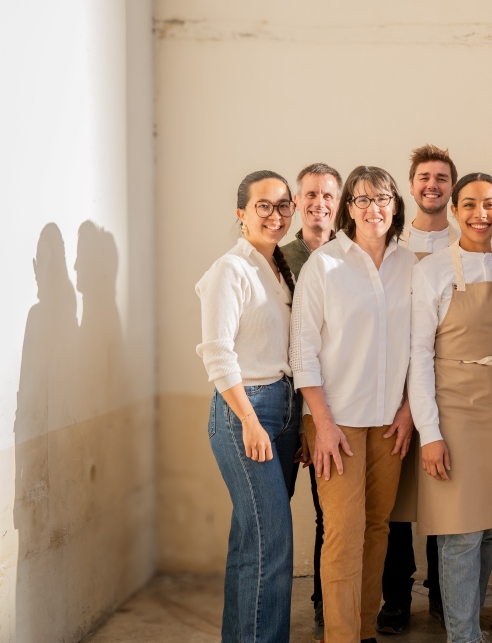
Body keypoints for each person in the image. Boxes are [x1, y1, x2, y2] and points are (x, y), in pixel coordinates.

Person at [291, 166, 417, 643]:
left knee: (377, 528)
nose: (373, 208)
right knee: (344, 533)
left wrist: (408, 408)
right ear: (347, 209)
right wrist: (321, 425)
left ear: (394, 205)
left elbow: (418, 344)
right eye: (361, 200)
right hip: (335, 421)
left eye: (381, 198)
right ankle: (341, 636)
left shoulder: (409, 265)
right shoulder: (324, 266)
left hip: (389, 421)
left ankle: (364, 629)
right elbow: (302, 352)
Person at [409, 172, 492, 643]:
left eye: (491, 205)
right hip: (453, 406)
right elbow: (418, 355)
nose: (482, 214)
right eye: (471, 205)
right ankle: (463, 636)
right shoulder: (433, 270)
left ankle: (467, 624)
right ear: (455, 211)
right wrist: (430, 433)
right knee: (460, 533)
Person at [195, 170, 300, 643]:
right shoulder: (230, 270)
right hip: (245, 411)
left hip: (283, 409)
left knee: (249, 543)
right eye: (264, 205)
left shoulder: (280, 270)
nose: (275, 215)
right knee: (272, 543)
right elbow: (217, 352)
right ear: (241, 213)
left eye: (283, 206)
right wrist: (251, 422)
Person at [379, 144, 457, 635]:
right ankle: (396, 597)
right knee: (394, 506)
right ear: (411, 186)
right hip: (389, 393)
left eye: (442, 178)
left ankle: (445, 597)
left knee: (443, 498)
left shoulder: (463, 246)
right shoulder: (391, 246)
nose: (432, 185)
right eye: (424, 177)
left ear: (452, 187)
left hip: (445, 392)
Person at [280, 162, 341, 643]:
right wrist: (304, 419)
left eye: (328, 194)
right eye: (310, 194)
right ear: (297, 201)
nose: (319, 202)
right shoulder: (281, 258)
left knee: (330, 514)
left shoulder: (351, 254)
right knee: (277, 518)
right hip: (285, 405)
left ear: (339, 201)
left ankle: (326, 607)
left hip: (334, 406)